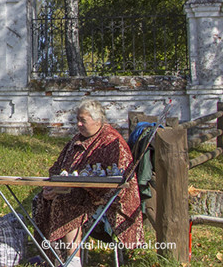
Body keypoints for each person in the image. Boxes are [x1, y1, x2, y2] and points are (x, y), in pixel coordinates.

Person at [34, 99, 143, 267]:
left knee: (68, 201)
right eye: (77, 119)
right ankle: (52, 258)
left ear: (98, 120)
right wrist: (52, 186)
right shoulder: (76, 141)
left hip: (107, 203)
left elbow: (117, 183)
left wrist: (66, 189)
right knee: (41, 199)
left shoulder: (111, 142)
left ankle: (73, 261)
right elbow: (57, 168)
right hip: (75, 193)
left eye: (83, 120)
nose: (78, 124)